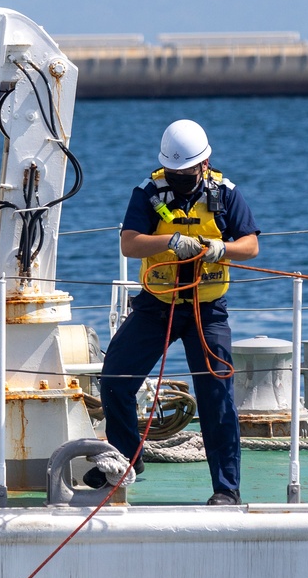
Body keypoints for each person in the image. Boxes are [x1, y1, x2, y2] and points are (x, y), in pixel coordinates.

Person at [96, 119, 260, 504]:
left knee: (216, 397)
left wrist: (222, 249)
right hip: (158, 305)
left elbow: (250, 245)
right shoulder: (147, 193)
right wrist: (169, 240)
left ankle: (226, 490)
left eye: (186, 172)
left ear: (205, 164)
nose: (181, 178)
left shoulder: (226, 194)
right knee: (116, 380)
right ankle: (126, 461)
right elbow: (129, 244)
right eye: (174, 172)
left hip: (208, 310)